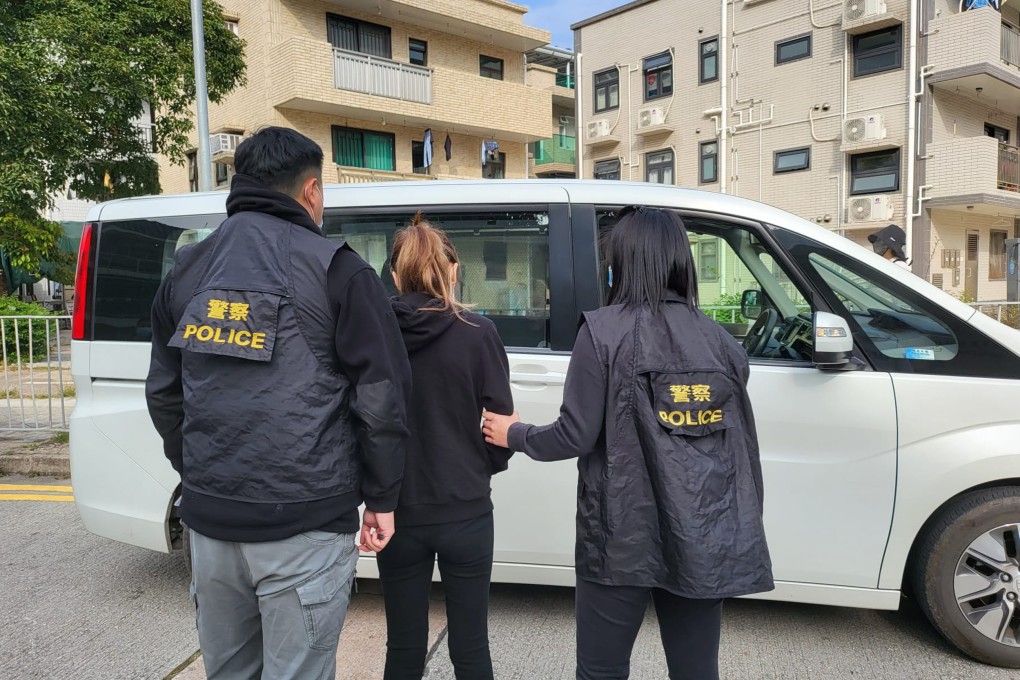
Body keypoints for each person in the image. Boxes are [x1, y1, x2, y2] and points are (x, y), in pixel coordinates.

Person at [145, 126, 411, 680]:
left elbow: (164, 394)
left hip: (209, 523)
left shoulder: (188, 269)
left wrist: (198, 471)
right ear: (311, 191)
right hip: (306, 523)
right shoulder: (338, 268)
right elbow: (381, 399)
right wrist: (382, 496)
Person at [483, 206, 774, 680]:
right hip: (701, 533)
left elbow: (574, 434)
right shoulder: (722, 342)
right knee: (696, 670)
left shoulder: (601, 331)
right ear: (681, 261)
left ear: (623, 261)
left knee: (602, 669)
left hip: (619, 536)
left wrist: (513, 434)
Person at [374, 214, 514, 680]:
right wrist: (479, 465)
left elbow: (366, 420)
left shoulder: (376, 335)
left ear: (395, 277)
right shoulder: (478, 333)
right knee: (472, 648)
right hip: (466, 510)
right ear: (453, 271)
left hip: (398, 511)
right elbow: (501, 425)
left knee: (404, 648)